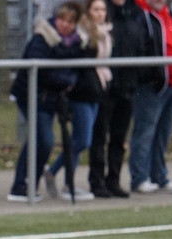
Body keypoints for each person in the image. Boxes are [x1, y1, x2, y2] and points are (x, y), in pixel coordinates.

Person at [7, 1, 84, 203]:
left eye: (70, 21)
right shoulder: (42, 39)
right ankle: (21, 184)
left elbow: (75, 69)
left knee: (39, 140)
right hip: (31, 96)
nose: (65, 25)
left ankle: (26, 182)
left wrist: (70, 81)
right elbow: (41, 72)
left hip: (50, 98)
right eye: (62, 19)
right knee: (44, 139)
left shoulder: (76, 43)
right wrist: (65, 81)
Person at [43, 0, 112, 201]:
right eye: (96, 9)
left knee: (80, 141)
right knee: (82, 139)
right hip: (81, 92)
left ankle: (64, 180)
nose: (100, 13)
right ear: (88, 11)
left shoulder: (105, 32)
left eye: (103, 9)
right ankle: (59, 176)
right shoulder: (81, 33)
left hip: (96, 89)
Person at [87, 0, 144, 199]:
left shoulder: (135, 13)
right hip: (106, 87)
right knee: (99, 135)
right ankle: (96, 180)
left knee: (119, 138)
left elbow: (141, 45)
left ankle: (114, 179)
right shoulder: (104, 12)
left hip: (127, 86)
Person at [128, 0, 172, 195]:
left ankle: (159, 176)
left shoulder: (170, 14)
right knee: (145, 132)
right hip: (151, 86)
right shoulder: (141, 15)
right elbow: (140, 47)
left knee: (163, 133)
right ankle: (139, 177)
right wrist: (151, 75)